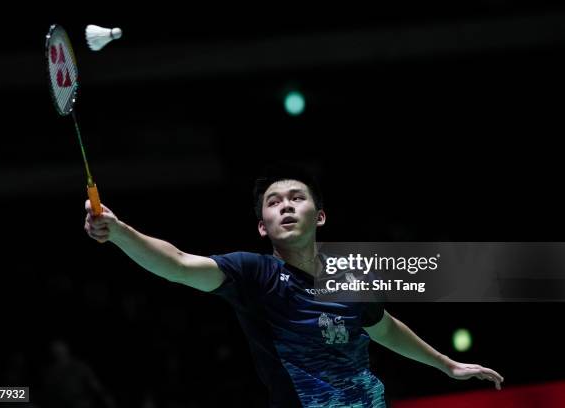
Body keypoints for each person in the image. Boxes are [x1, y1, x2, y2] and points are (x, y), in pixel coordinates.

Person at [84, 165, 503, 407]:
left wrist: (447, 364)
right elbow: (177, 264)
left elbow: (384, 327)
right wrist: (120, 232)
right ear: (262, 227)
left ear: (320, 216)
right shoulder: (253, 275)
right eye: (273, 201)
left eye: (296, 197)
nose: (285, 204)